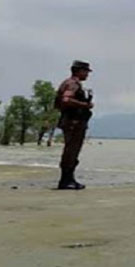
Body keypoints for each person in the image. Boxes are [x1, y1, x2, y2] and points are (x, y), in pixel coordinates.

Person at [54, 60, 94, 190]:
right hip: (74, 122)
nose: (87, 75)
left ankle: (69, 179)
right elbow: (66, 100)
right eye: (86, 71)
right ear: (79, 71)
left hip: (72, 122)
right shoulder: (73, 84)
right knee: (71, 151)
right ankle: (66, 181)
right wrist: (85, 105)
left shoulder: (69, 83)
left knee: (72, 151)